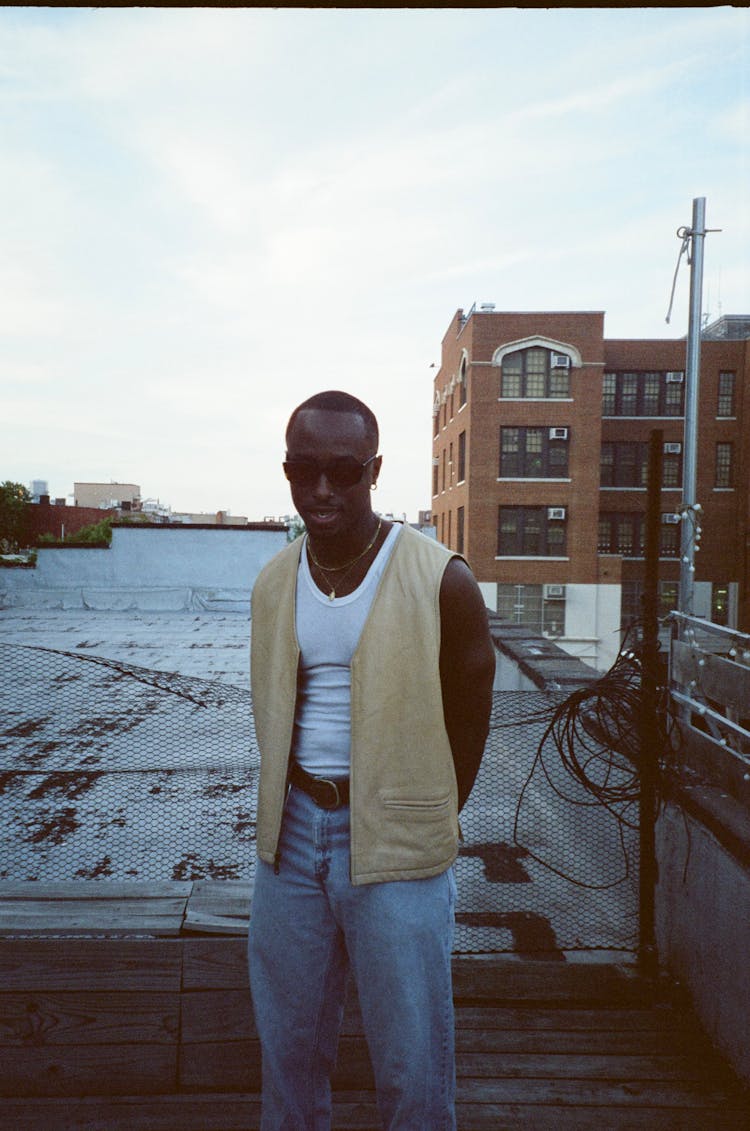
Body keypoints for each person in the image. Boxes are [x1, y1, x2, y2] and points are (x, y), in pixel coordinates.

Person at [248, 390, 495, 1130]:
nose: (322, 488)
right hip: (290, 834)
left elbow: (473, 705)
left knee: (412, 1056)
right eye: (305, 468)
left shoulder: (440, 576)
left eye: (344, 470)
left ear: (374, 469)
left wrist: (431, 810)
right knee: (288, 1047)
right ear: (288, 469)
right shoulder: (273, 581)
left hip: (397, 836)